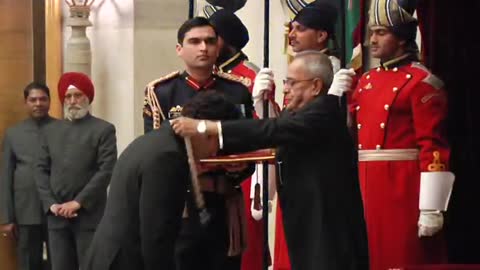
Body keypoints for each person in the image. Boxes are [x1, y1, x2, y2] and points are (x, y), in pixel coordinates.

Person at [171, 51, 369, 270]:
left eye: (292, 83)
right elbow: (271, 140)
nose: (285, 89)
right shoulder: (298, 114)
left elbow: (273, 130)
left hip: (328, 223)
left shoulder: (324, 112)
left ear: (315, 86)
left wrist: (205, 127)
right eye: (286, 82)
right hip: (308, 217)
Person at [84, 90, 244, 270]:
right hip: (125, 261)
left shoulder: (158, 141)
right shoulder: (168, 157)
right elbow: (156, 238)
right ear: (203, 130)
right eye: (218, 141)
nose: (215, 152)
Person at [349, 0, 455, 269]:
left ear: (402, 38)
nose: (372, 40)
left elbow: (432, 145)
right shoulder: (365, 81)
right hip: (365, 183)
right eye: (372, 32)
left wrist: (431, 206)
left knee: (402, 256)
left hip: (402, 186)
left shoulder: (421, 82)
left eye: (381, 33)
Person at [142, 17, 254, 270]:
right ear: (179, 49)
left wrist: (239, 167)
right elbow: (154, 151)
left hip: (224, 199)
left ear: (218, 47)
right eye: (195, 41)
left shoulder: (237, 91)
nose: (203, 47)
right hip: (179, 203)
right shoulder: (161, 91)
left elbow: (247, 146)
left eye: (210, 41)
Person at [207, 9, 275, 270]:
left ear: (226, 39)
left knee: (246, 240)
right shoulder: (211, 74)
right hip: (213, 166)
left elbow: (265, 127)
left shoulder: (249, 76)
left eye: (213, 37)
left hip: (244, 168)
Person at [34, 72, 117, 270]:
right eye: (68, 97)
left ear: (87, 97)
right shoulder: (50, 131)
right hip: (57, 217)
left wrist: (77, 202)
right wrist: (52, 204)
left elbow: (106, 170)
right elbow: (40, 170)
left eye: (78, 95)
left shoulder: (103, 129)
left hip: (89, 216)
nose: (73, 101)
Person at [0, 82, 55, 270]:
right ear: (26, 103)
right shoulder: (13, 134)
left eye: (42, 99)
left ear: (50, 102)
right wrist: (6, 218)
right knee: (28, 263)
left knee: (59, 262)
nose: (38, 103)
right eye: (33, 100)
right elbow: (5, 176)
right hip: (25, 212)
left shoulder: (63, 129)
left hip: (57, 210)